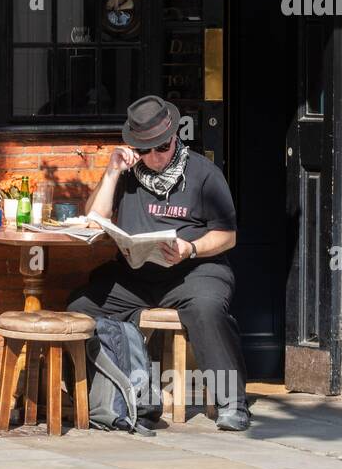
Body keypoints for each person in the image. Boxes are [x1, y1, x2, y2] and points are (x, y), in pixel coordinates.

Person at [68, 95, 251, 431]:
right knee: (80, 308)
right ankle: (108, 396)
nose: (153, 157)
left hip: (193, 271)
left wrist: (190, 248)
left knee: (208, 310)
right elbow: (94, 222)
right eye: (144, 150)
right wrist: (110, 173)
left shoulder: (204, 174)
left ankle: (233, 403)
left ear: (175, 138)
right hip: (136, 277)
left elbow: (227, 236)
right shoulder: (127, 174)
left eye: (161, 148)